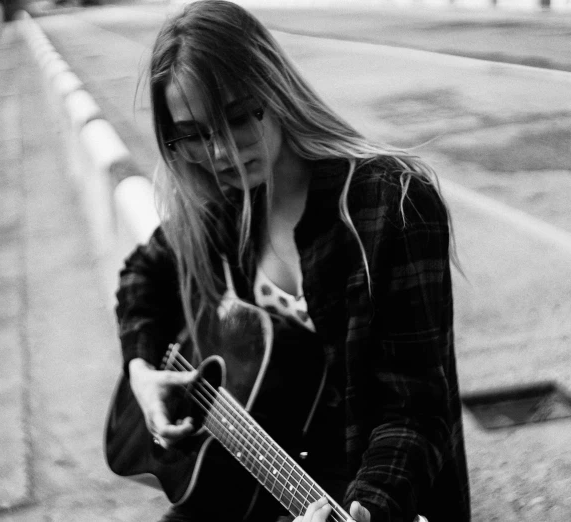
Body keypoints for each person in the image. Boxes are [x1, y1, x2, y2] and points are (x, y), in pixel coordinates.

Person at [114, 1, 470, 521]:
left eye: (236, 119)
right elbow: (140, 277)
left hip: (363, 496)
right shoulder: (225, 206)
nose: (219, 154)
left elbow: (414, 410)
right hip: (242, 486)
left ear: (274, 89)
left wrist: (368, 506)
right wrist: (142, 369)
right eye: (191, 134)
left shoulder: (388, 204)